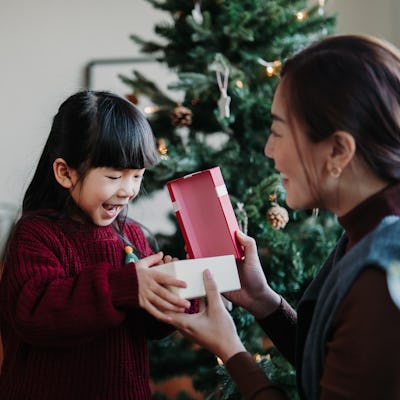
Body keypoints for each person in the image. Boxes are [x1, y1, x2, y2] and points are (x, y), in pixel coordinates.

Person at [159, 34, 400, 399]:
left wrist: (232, 351)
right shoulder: (365, 231)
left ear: (337, 150)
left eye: (277, 132)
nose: (270, 151)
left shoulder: (381, 277)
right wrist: (263, 301)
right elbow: (332, 360)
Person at [0, 90, 191, 400]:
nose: (129, 190)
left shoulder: (131, 236)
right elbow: (35, 313)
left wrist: (170, 293)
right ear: (65, 172)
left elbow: (147, 327)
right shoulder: (36, 234)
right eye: (114, 176)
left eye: (137, 176)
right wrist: (124, 286)